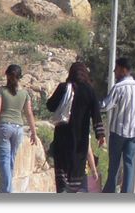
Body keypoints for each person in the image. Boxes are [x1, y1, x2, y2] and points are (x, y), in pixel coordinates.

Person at [44, 61, 104, 193]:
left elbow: (50, 106)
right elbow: (96, 114)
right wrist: (100, 134)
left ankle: (63, 191)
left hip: (62, 136)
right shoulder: (90, 91)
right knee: (77, 168)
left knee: (62, 170)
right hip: (80, 139)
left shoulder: (63, 87)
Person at [0, 64, 38, 193]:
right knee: (11, 159)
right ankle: (3, 189)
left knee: (3, 159)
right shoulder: (25, 94)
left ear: (7, 75)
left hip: (4, 126)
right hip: (18, 129)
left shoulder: (1, 91)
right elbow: (29, 113)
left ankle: (6, 191)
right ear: (20, 77)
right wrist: (33, 132)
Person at [102, 57, 135, 193]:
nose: (115, 71)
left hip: (118, 130)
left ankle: (110, 193)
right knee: (129, 165)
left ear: (123, 69)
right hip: (134, 132)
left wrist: (91, 105)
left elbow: (105, 106)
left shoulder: (118, 87)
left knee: (114, 165)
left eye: (117, 68)